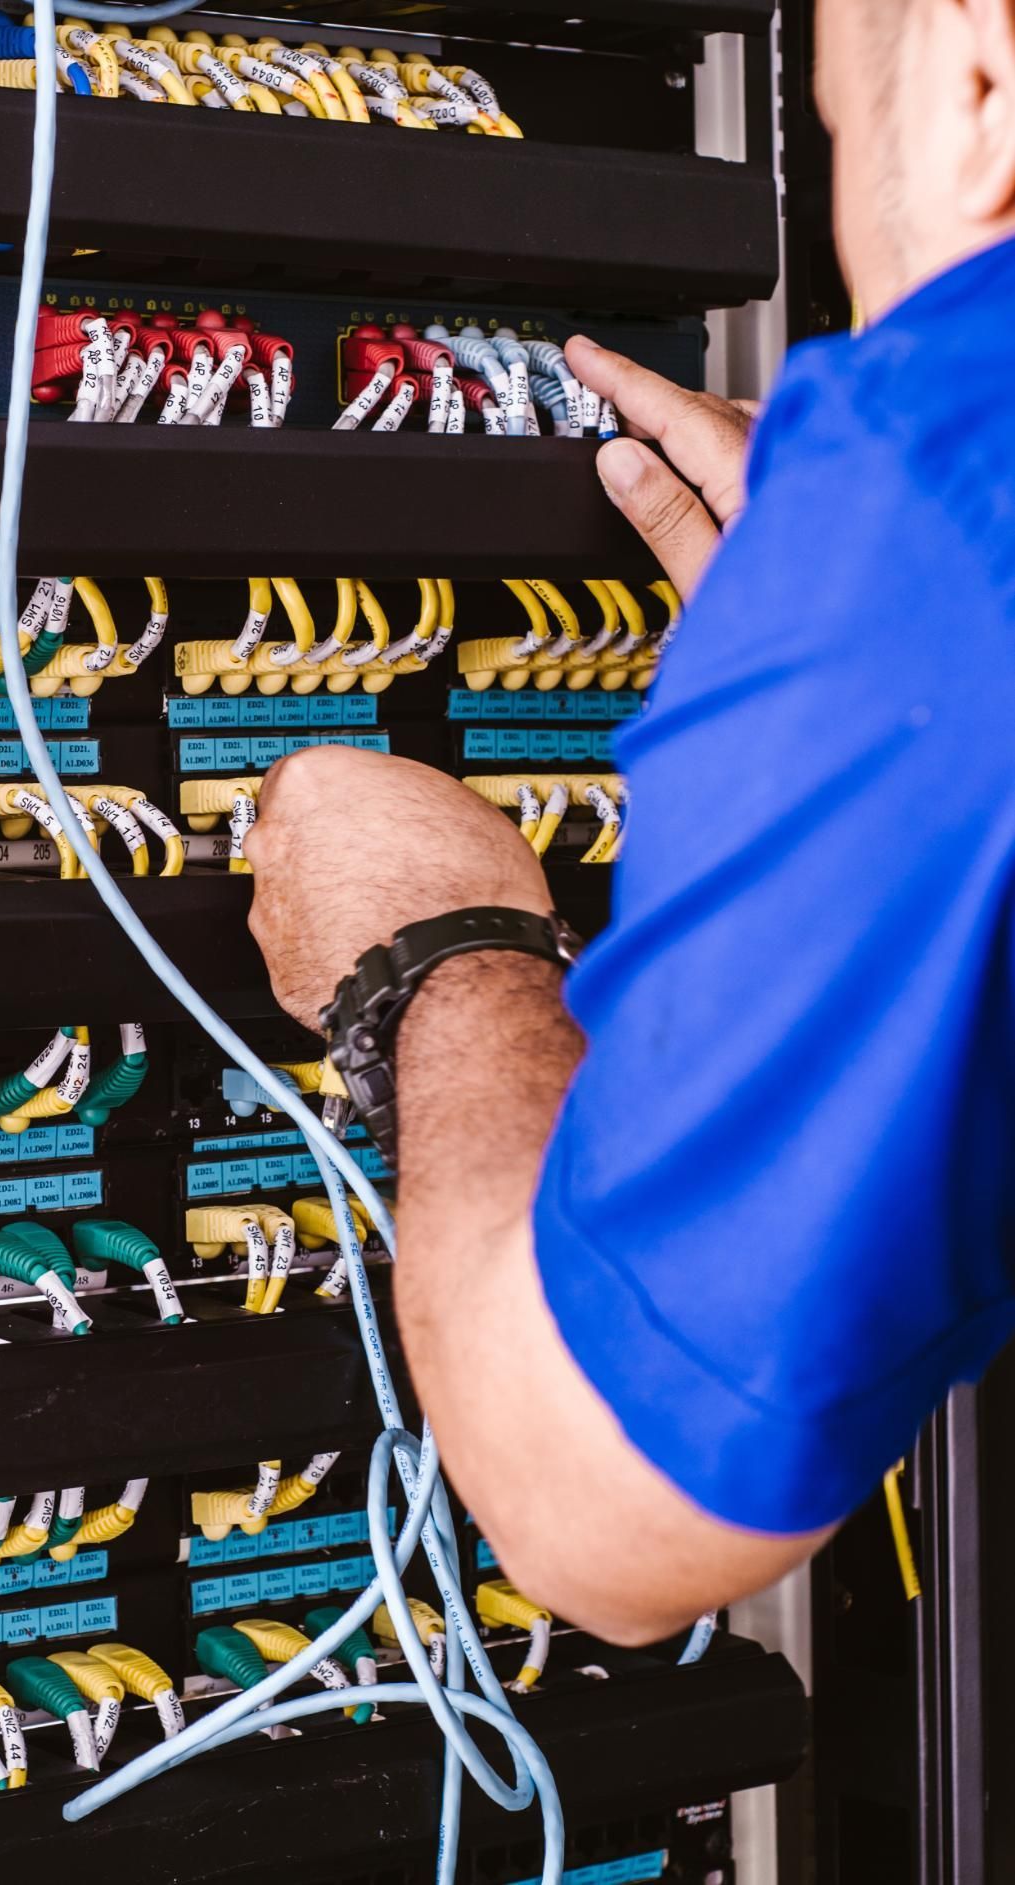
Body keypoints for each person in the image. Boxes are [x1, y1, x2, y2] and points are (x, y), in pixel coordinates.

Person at [244, 0, 1015, 1645]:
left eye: (828, 125)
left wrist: (432, 946)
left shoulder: (953, 485)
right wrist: (850, 686)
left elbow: (597, 1507)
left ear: (977, 74)